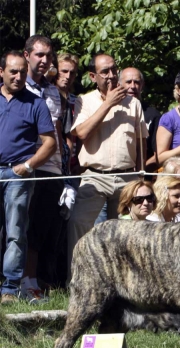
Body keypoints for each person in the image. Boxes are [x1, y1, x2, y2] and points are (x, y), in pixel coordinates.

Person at [67, 53, 148, 280]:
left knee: (128, 235)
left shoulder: (134, 104)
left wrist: (142, 181)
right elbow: (81, 132)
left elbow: (142, 145)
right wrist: (109, 103)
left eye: (114, 69)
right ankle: (76, 280)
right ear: (93, 76)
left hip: (128, 178)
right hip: (94, 176)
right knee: (78, 224)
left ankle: (124, 285)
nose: (112, 75)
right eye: (105, 72)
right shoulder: (84, 101)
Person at [0, 51, 56, 304]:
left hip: (17, 175)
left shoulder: (36, 103)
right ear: (1, 72)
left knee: (16, 232)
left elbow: (50, 143)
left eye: (23, 71)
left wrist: (28, 166)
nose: (19, 76)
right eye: (13, 71)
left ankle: (10, 289)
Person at [22, 35, 64, 302]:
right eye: (39, 55)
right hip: (23, 166)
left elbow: (58, 132)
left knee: (40, 229)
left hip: (52, 168)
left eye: (48, 55)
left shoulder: (52, 90)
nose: (45, 60)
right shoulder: (15, 87)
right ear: (27, 55)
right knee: (16, 228)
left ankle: (31, 282)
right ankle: (16, 282)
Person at [119, 67, 161, 171]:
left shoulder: (153, 115)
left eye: (137, 82)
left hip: (143, 176)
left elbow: (159, 154)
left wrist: (140, 168)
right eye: (128, 82)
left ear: (142, 85)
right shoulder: (113, 112)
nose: (132, 86)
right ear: (119, 84)